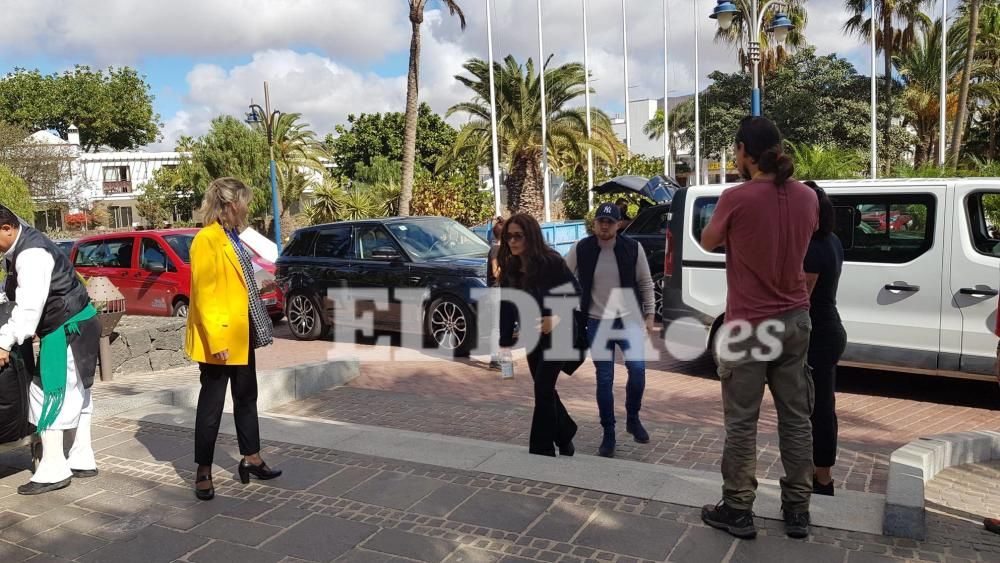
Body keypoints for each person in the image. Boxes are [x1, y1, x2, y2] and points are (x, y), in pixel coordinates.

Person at [698, 117, 818, 540]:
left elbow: (707, 241)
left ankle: (738, 510)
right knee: (796, 419)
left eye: (735, 151)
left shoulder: (736, 198)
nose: (734, 158)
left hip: (750, 324)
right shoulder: (807, 197)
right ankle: (798, 510)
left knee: (743, 423)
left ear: (745, 151)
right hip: (796, 320)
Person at [186, 177, 281, 501]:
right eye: (245, 202)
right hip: (220, 339)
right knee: (211, 406)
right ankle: (203, 470)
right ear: (230, 205)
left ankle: (251, 457)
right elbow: (205, 295)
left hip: (242, 332)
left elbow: (234, 281)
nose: (247, 208)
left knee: (246, 397)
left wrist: (259, 284)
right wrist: (216, 342)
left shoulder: (232, 236)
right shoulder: (206, 240)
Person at [0, 204, 101, 495]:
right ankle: (82, 457)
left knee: (47, 393)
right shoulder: (23, 244)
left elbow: (30, 307)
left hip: (66, 328)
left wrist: (4, 341)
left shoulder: (31, 254)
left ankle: (53, 467)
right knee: (79, 392)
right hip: (79, 322)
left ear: (7, 228)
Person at [565, 202, 656, 458]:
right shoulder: (581, 248)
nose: (604, 226)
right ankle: (608, 433)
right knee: (604, 379)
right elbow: (563, 275)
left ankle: (633, 417)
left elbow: (646, 283)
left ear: (619, 224)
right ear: (594, 224)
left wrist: (649, 314)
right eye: (600, 221)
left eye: (610, 222)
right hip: (596, 321)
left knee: (637, 370)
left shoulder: (632, 248)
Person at [498, 213, 580, 457]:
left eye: (518, 236)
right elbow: (506, 307)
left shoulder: (551, 262)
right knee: (545, 389)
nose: (512, 242)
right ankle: (565, 433)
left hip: (561, 334)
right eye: (508, 237)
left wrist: (555, 318)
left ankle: (541, 451)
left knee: (543, 388)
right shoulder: (510, 268)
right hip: (533, 337)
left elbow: (576, 293)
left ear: (530, 237)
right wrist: (504, 344)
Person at [802, 181, 846, 496]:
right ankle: (821, 476)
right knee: (823, 407)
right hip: (829, 328)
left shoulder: (813, 248)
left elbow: (800, 299)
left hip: (817, 334)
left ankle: (821, 479)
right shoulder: (832, 241)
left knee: (816, 410)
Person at [488, 217, 505, 370]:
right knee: (496, 326)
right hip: (495, 290)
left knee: (501, 325)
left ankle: (500, 357)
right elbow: (495, 272)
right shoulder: (496, 249)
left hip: (501, 290)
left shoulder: (500, 249)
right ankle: (494, 359)